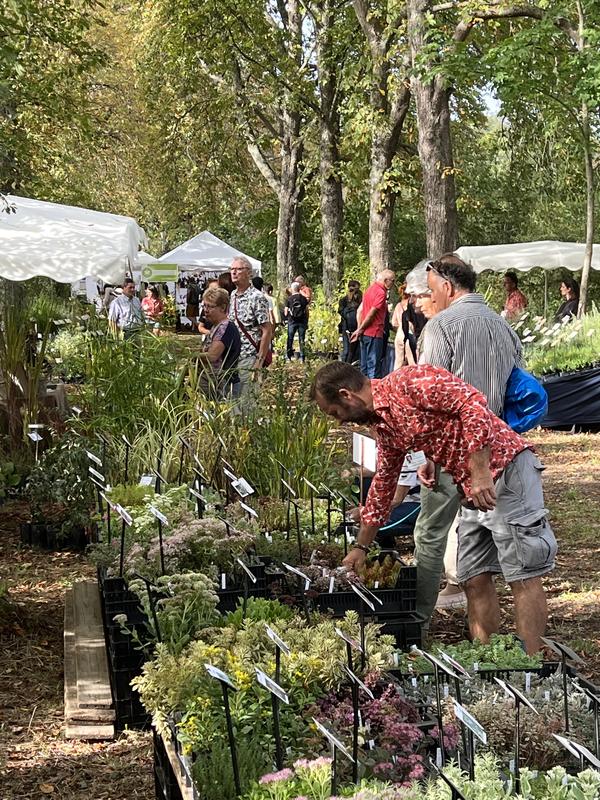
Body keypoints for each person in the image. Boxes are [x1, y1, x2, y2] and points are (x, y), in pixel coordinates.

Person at [310, 361, 557, 654]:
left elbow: (473, 405)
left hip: (505, 470)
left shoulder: (410, 381)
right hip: (470, 487)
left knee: (522, 574)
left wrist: (479, 471)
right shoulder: (384, 425)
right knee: (473, 578)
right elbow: (384, 485)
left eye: (335, 413)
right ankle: (490, 660)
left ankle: (530, 669)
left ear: (346, 394)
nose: (339, 421)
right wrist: (361, 548)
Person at [406, 253, 522, 626]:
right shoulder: (503, 326)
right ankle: (488, 638)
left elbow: (430, 396)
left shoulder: (441, 328)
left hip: (455, 450)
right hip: (499, 449)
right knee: (486, 545)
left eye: (431, 288)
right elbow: (519, 386)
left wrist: (431, 454)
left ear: (447, 286)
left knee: (430, 533)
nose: (430, 295)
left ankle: (417, 622)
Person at [229, 257, 272, 402]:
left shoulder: (257, 297)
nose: (234, 272)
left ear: (249, 273)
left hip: (249, 357)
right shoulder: (233, 295)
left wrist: (259, 361)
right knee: (233, 401)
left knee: (247, 403)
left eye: (238, 269)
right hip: (232, 357)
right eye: (232, 269)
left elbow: (267, 330)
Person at [195, 287, 241, 399]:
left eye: (210, 306)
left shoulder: (225, 328)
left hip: (223, 385)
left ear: (223, 307)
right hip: (216, 384)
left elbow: (212, 356)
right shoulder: (216, 326)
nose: (206, 310)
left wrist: (192, 356)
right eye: (204, 306)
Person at [351, 269, 395, 378]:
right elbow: (372, 313)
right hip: (374, 333)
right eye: (392, 281)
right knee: (374, 367)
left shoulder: (369, 289)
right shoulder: (381, 293)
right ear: (386, 280)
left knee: (364, 367)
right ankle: (373, 392)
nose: (393, 284)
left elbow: (360, 311)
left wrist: (359, 329)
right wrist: (360, 329)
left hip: (364, 333)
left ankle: (362, 391)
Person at [284, 281, 309, 361]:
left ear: (292, 289)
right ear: (299, 289)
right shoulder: (303, 299)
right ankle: (302, 357)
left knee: (290, 338)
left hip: (292, 321)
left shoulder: (289, 299)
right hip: (302, 321)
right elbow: (306, 310)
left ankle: (289, 356)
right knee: (302, 339)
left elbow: (285, 312)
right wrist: (306, 320)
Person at [338, 281, 362, 364]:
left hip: (358, 326)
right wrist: (350, 303)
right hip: (347, 326)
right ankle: (344, 366)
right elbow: (342, 312)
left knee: (357, 351)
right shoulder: (344, 300)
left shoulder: (360, 299)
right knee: (347, 350)